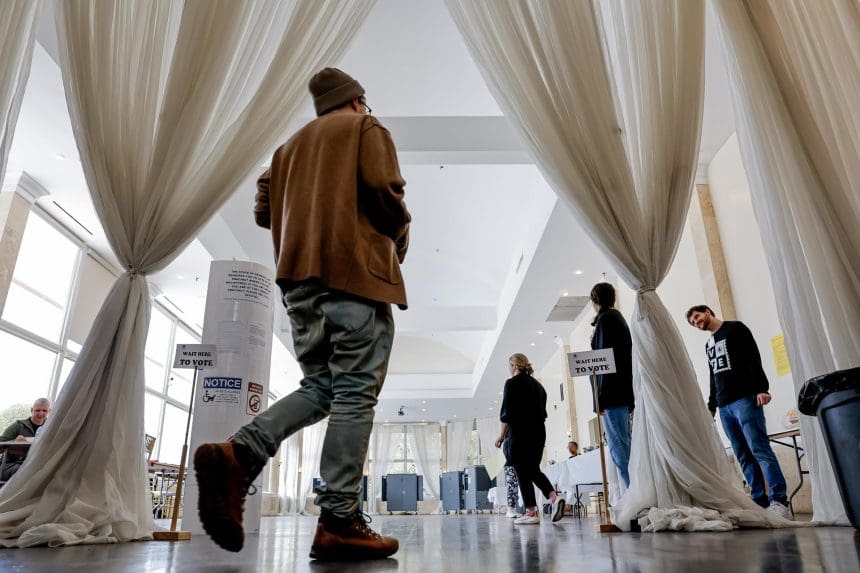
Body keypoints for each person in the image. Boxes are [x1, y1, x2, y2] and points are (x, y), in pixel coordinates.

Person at [194, 68, 411, 560]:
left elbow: (263, 211)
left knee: (321, 389)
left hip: (298, 285)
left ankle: (238, 453)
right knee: (355, 394)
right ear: (356, 100)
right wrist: (399, 233)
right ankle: (339, 519)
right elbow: (384, 188)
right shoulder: (366, 129)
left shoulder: (285, 151)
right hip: (354, 276)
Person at [686, 305, 791, 519]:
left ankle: (780, 501)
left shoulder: (735, 329)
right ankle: (759, 502)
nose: (697, 323)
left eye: (697, 317)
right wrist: (712, 406)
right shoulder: (709, 344)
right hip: (725, 407)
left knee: (759, 449)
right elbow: (713, 376)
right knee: (743, 455)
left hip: (745, 399)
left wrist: (762, 388)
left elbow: (753, 358)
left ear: (707, 311)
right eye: (693, 323)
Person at [495, 353, 565, 525]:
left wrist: (501, 436)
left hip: (520, 432)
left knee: (521, 470)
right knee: (533, 469)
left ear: (514, 366)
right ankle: (553, 497)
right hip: (539, 432)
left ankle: (531, 512)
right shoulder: (538, 386)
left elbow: (506, 415)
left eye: (509, 366)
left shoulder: (511, 384)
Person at [589, 283, 634, 487]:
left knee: (620, 449)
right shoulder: (615, 318)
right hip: (620, 391)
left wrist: (599, 398)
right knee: (622, 445)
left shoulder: (607, 320)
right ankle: (633, 491)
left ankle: (634, 493)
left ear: (594, 301)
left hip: (612, 394)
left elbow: (603, 362)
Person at [0, 398, 50, 481]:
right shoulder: (18, 426)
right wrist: (14, 444)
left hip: (39, 464)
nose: (41, 413)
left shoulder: (52, 428)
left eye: (44, 411)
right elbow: (1, 444)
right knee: (23, 472)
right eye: (37, 410)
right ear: (31, 410)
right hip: (14, 464)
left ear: (49, 412)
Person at [502, 435, 520, 518]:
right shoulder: (507, 441)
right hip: (510, 467)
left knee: (515, 489)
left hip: (514, 466)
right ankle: (510, 510)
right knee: (511, 488)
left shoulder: (513, 440)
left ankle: (513, 509)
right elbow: (508, 455)